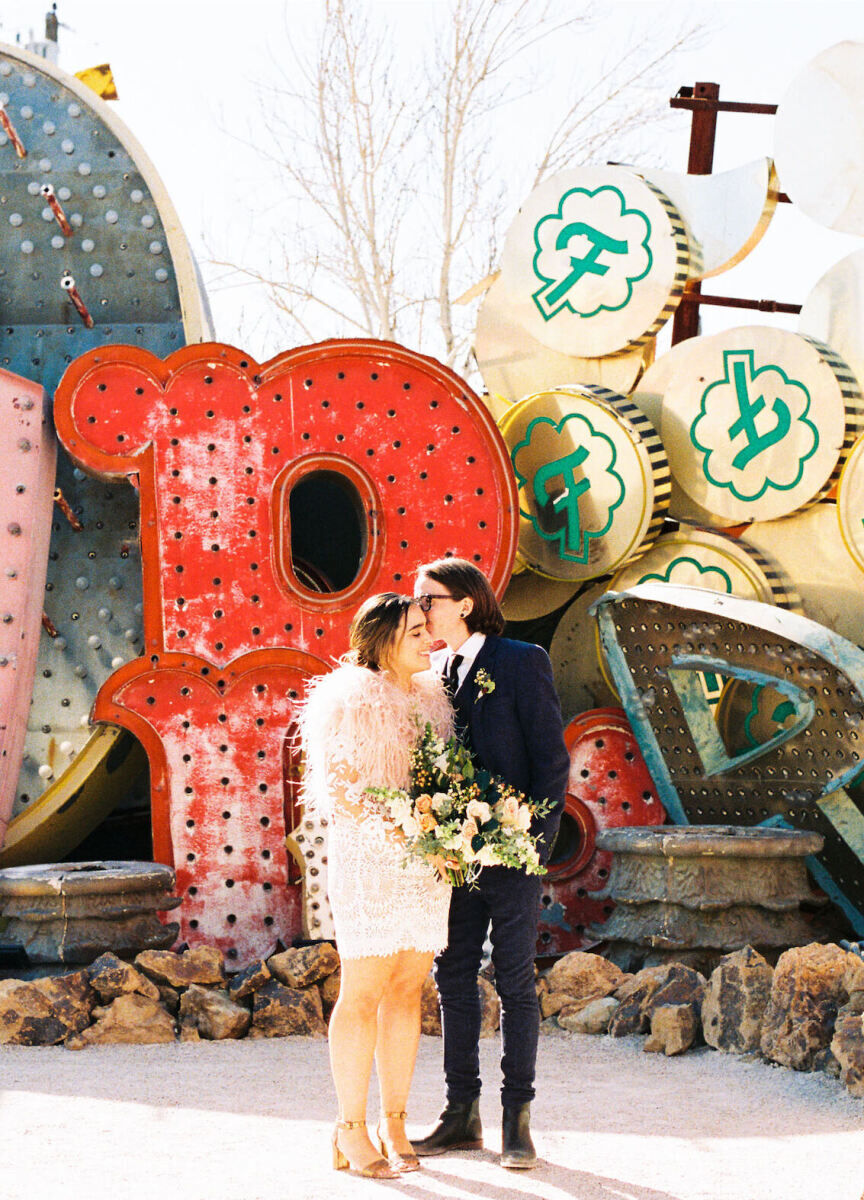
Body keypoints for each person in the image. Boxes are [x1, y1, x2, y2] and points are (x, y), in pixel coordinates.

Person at [412, 557, 570, 1170]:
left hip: (513, 855)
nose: (418, 611)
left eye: (427, 600)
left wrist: (532, 844)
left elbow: (551, 763)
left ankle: (518, 1122)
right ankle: (460, 1115)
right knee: (451, 978)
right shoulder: (432, 673)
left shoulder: (521, 660)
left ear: (465, 604)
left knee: (514, 981)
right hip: (452, 857)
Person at [300, 593, 454, 1180]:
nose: (427, 640)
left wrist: (442, 834)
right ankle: (348, 1126)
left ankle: (393, 1119)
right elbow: (338, 788)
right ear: (384, 637)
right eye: (416, 632)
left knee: (409, 988)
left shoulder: (433, 699)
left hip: (424, 863)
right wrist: (402, 822)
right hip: (370, 858)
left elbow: (442, 779)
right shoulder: (346, 698)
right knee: (363, 989)